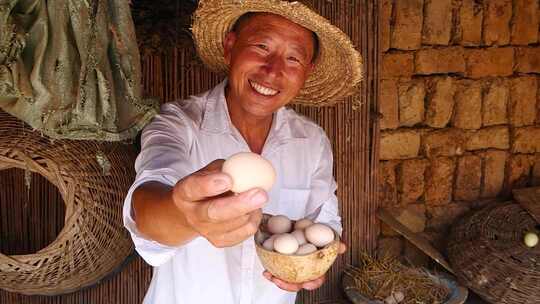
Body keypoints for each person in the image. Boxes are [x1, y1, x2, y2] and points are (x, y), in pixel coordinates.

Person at [122, 1, 363, 303]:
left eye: (293, 59)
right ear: (230, 46)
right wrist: (188, 216)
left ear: (307, 72)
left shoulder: (312, 142)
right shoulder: (177, 124)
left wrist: (315, 258)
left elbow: (323, 226)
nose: (273, 70)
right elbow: (145, 205)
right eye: (262, 46)